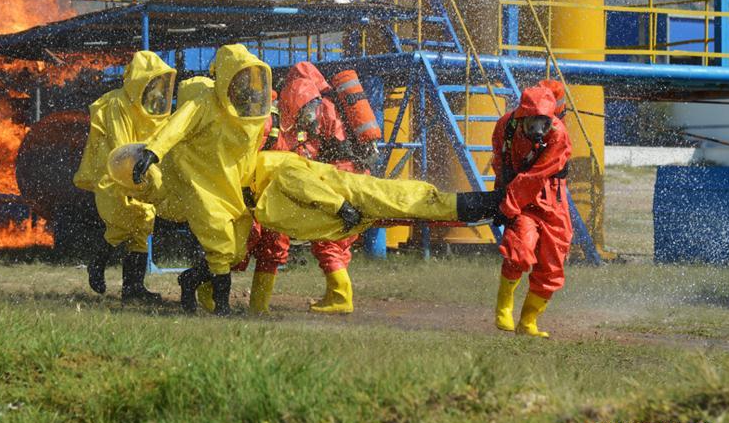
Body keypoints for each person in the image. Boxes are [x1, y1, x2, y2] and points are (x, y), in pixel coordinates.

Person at [114, 147, 503, 277]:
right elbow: (294, 182)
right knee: (404, 200)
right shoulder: (231, 167)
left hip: (294, 206)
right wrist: (339, 205)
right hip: (298, 202)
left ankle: (489, 207)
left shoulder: (190, 181)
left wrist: (339, 206)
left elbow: (293, 182)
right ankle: (487, 207)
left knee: (411, 203)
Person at [131, 44, 272, 316]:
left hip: (229, 187)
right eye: (240, 78)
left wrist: (249, 185)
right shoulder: (203, 103)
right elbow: (175, 128)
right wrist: (152, 152)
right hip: (197, 183)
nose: (246, 86)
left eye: (248, 78)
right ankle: (222, 307)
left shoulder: (249, 114)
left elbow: (247, 155)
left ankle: (190, 280)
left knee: (236, 250)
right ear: (227, 77)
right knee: (220, 244)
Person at [249, 61, 366, 314]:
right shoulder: (289, 122)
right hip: (277, 190)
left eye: (313, 110)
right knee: (255, 244)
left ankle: (338, 298)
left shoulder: (310, 121)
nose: (311, 118)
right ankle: (250, 303)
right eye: (307, 111)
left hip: (331, 183)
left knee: (317, 241)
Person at [73, 51, 176, 302]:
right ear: (140, 80)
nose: (157, 89)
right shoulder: (118, 102)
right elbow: (121, 146)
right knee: (123, 221)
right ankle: (97, 263)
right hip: (115, 174)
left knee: (144, 223)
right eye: (152, 82)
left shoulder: (152, 107)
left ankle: (133, 288)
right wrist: (136, 169)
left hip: (141, 172)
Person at [491, 86, 572, 338]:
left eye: (544, 122)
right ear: (522, 116)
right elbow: (500, 160)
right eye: (533, 122)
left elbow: (535, 176)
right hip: (522, 201)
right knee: (520, 249)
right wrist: (504, 198)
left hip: (551, 201)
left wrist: (508, 205)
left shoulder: (558, 134)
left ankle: (528, 322)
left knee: (552, 264)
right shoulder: (506, 126)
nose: (539, 129)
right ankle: (504, 306)